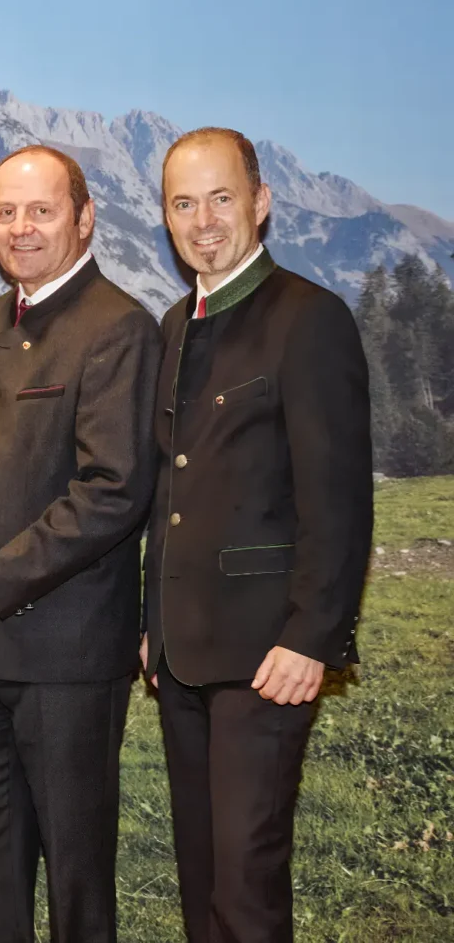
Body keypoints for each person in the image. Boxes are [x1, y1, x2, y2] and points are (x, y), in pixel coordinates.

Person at [0, 145, 161, 941]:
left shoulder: (118, 327)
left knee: (77, 883)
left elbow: (112, 490)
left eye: (41, 210)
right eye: (4, 212)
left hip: (67, 658)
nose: (20, 228)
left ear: (83, 218)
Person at [142, 128, 371, 942]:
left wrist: (313, 637)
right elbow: (170, 487)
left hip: (268, 656)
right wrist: (151, 629)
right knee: (202, 881)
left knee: (245, 884)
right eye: (183, 203)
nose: (204, 220)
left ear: (261, 203)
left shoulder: (310, 318)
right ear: (166, 218)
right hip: (181, 655)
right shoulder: (174, 324)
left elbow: (338, 499)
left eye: (222, 197)